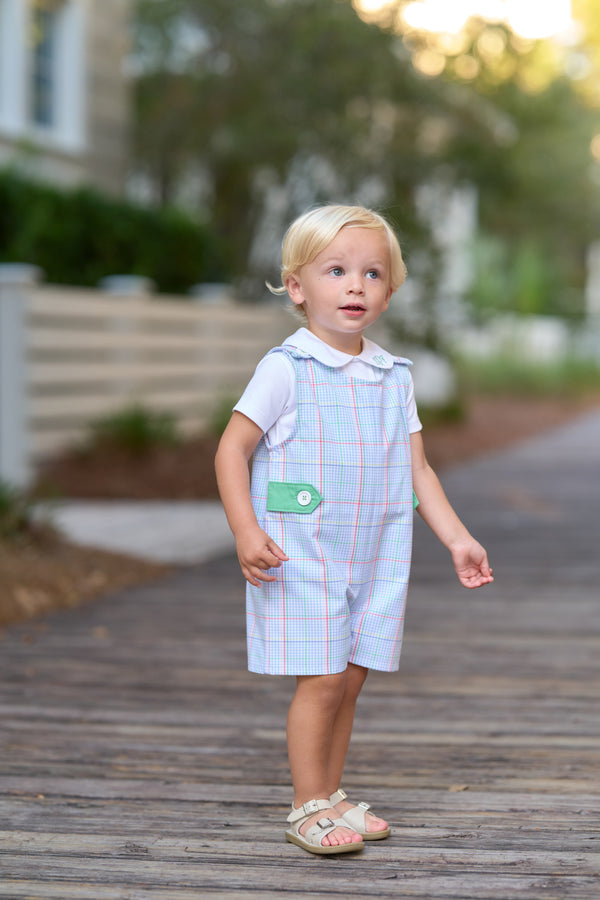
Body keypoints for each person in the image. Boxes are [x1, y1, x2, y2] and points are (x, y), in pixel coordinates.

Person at [215, 204, 493, 856]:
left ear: (388, 293)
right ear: (297, 286)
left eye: (372, 274)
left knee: (350, 677)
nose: (355, 286)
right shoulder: (287, 367)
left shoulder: (393, 377)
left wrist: (457, 537)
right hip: (303, 551)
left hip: (376, 553)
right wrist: (244, 530)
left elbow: (417, 469)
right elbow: (232, 449)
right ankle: (306, 805)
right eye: (336, 271)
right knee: (320, 679)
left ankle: (331, 793)